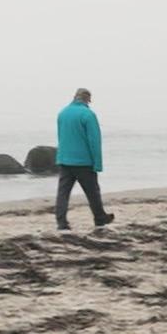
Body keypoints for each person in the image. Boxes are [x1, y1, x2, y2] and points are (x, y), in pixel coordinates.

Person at [54, 88, 114, 231]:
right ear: (87, 100)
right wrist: (97, 164)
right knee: (93, 192)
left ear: (74, 97)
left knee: (63, 193)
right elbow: (94, 141)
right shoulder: (88, 114)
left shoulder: (62, 114)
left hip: (64, 160)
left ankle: (61, 222)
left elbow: (61, 137)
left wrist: (60, 156)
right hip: (83, 162)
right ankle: (99, 218)